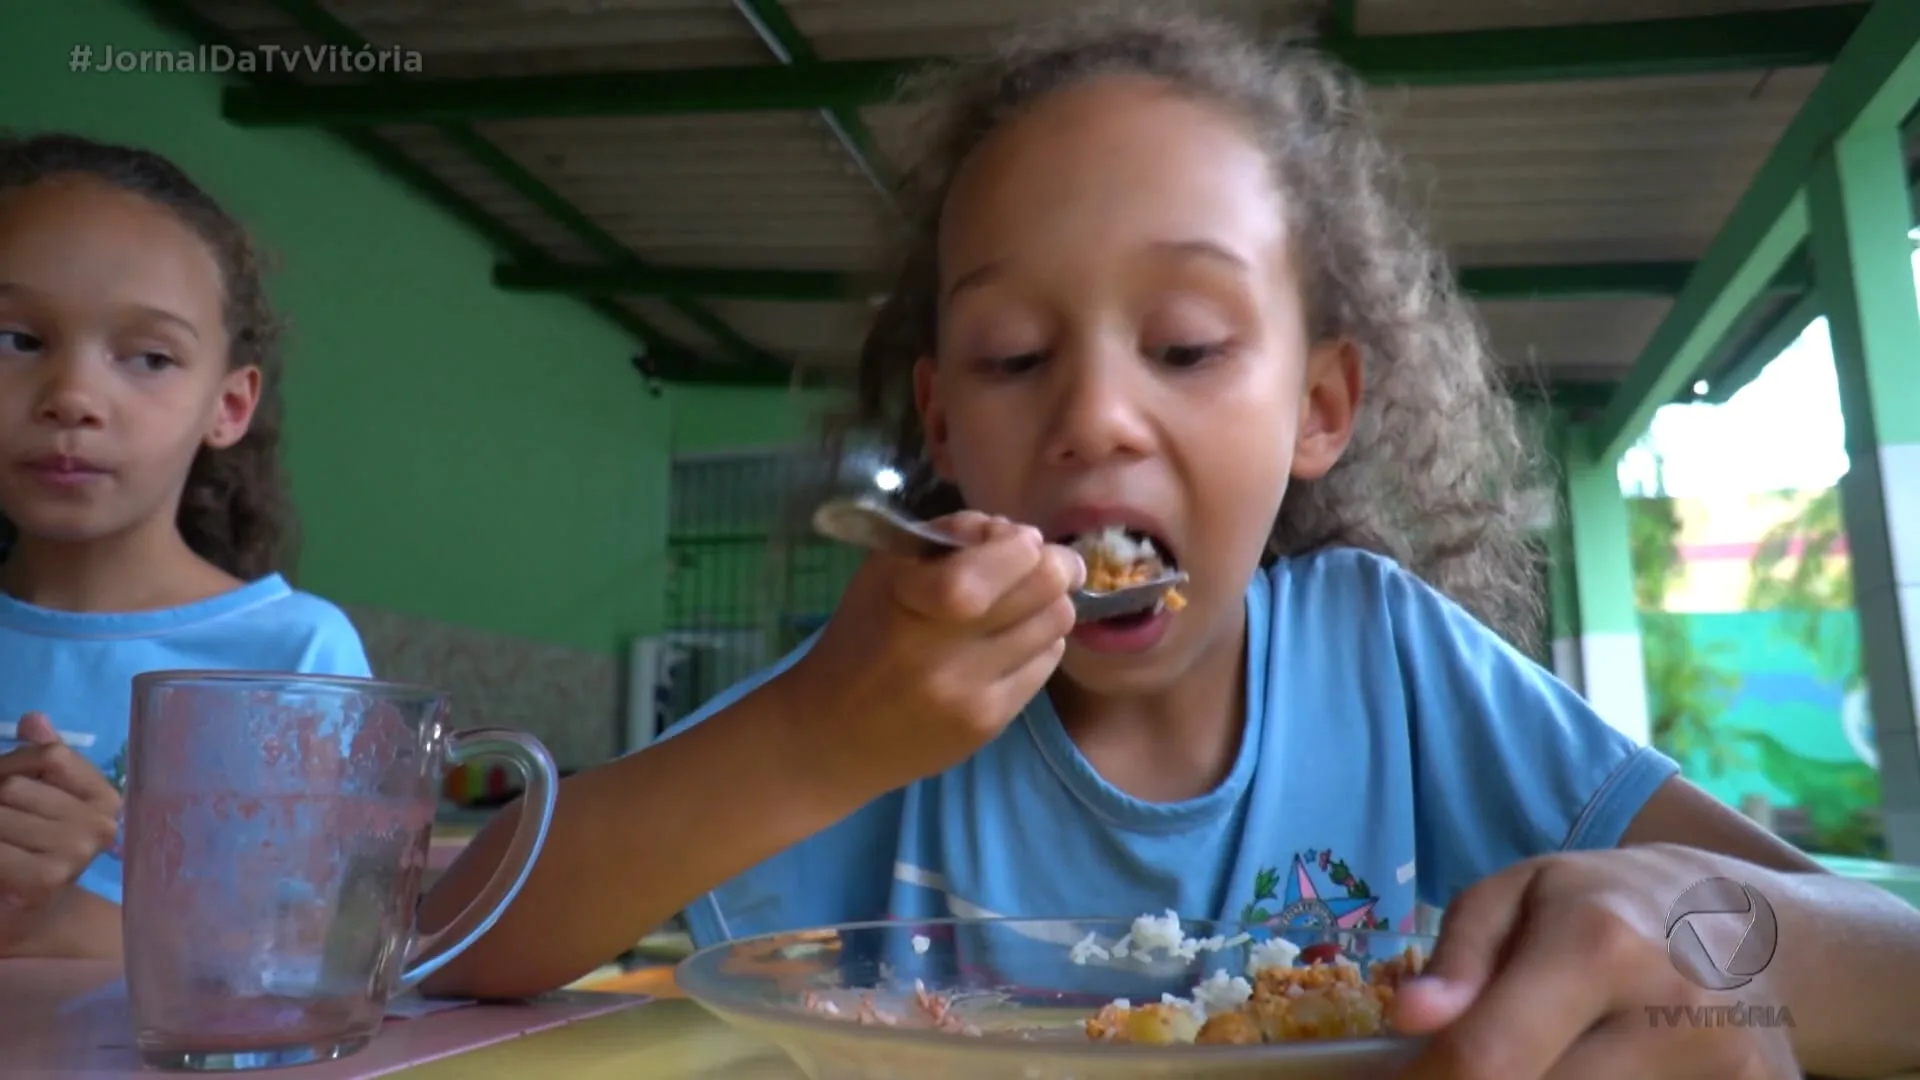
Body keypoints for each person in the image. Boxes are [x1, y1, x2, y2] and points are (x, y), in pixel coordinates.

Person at [420, 8, 1920, 1076]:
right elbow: (451, 941)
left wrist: (1725, 943)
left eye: (1190, 345)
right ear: (944, 425)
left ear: (1320, 405)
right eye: (1015, 357)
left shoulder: (1389, 664)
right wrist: (818, 740)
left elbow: (1886, 961)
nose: (1097, 417)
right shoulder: (883, 706)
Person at [0, 132, 371, 961]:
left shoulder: (289, 656)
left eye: (150, 357)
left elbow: (294, 959)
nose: (73, 398)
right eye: (18, 340)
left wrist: (50, 918)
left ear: (229, 407)